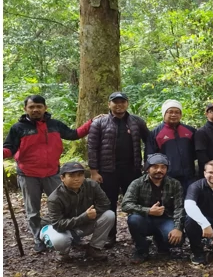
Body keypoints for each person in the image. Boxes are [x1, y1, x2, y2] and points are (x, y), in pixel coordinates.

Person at [3, 95, 95, 252]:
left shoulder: (54, 125)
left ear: (45, 108)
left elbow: (74, 134)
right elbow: (10, 148)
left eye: (39, 106)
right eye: (31, 107)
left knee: (64, 204)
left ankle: (68, 234)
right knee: (33, 210)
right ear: (25, 109)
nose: (35, 109)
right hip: (28, 174)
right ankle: (38, 238)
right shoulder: (18, 128)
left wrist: (91, 122)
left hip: (52, 173)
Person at [88, 91, 151, 248]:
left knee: (135, 203)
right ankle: (110, 236)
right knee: (108, 204)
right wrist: (94, 171)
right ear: (109, 104)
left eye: (122, 102)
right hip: (108, 171)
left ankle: (138, 235)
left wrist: (148, 164)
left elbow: (149, 141)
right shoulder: (99, 123)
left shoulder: (137, 122)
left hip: (133, 170)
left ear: (127, 103)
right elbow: (92, 148)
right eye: (115, 102)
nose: (119, 105)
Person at [39, 162, 115, 262]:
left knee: (109, 215)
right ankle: (63, 253)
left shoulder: (91, 185)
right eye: (71, 176)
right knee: (59, 240)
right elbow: (57, 225)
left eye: (80, 175)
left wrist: (92, 213)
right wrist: (84, 217)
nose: (77, 179)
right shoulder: (55, 198)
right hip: (57, 227)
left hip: (80, 222)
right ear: (62, 178)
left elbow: (105, 203)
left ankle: (94, 248)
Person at [121, 153, 185, 263]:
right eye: (155, 167)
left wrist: (178, 228)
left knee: (177, 240)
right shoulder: (137, 183)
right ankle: (141, 250)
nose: (159, 170)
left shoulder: (175, 184)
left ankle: (161, 243)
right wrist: (149, 211)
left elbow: (179, 207)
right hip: (144, 219)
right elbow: (126, 205)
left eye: (163, 167)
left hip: (166, 219)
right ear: (147, 168)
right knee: (134, 220)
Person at [147, 100, 197, 191]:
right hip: (167, 178)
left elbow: (196, 152)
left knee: (189, 202)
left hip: (189, 177)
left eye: (177, 112)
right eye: (170, 112)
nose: (174, 115)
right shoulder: (155, 133)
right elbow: (151, 156)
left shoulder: (190, 131)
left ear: (181, 115)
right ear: (164, 114)